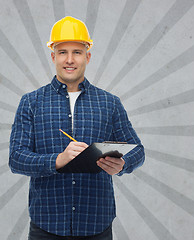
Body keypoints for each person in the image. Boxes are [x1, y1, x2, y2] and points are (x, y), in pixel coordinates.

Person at [9, 16, 145, 240]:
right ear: (53, 56)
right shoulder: (31, 102)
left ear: (88, 56)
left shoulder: (110, 103)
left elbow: (137, 150)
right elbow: (16, 158)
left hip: (96, 224)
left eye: (77, 52)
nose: (69, 60)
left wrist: (122, 164)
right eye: (62, 52)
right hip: (47, 225)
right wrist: (57, 161)